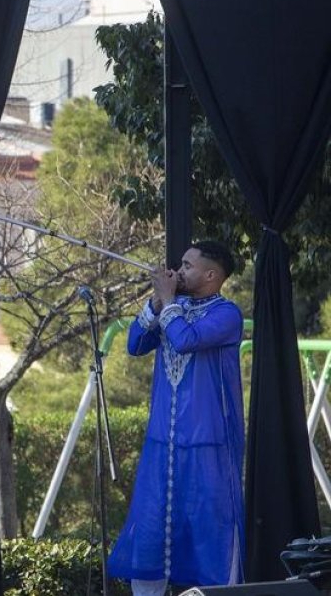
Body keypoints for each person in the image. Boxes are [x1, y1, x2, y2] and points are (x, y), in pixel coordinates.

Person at [108, 241, 245, 595]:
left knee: (212, 529)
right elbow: (136, 344)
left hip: (209, 442)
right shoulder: (175, 306)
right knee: (152, 526)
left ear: (211, 275)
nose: (179, 271)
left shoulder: (227, 314)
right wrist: (156, 303)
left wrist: (168, 302)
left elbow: (185, 340)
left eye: (187, 266)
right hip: (163, 442)